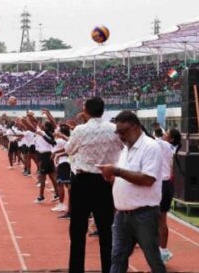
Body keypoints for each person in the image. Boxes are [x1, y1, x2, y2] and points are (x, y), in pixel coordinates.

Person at [97, 111, 166, 273]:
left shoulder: (150, 147)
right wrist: (112, 177)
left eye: (122, 131)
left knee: (153, 259)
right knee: (117, 258)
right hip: (122, 215)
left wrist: (116, 171)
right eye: (117, 132)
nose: (120, 136)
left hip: (145, 214)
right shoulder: (126, 149)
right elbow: (127, 176)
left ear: (135, 127)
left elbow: (148, 179)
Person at [65, 97, 123, 273]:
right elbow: (123, 148)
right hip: (106, 182)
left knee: (77, 231)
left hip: (83, 182)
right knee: (107, 230)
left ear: (86, 110)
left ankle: (76, 269)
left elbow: (69, 150)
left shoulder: (80, 130)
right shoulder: (114, 129)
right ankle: (109, 269)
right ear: (103, 110)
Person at [158, 128, 181, 263]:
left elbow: (147, 136)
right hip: (167, 185)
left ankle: (160, 252)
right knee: (162, 220)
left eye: (167, 134)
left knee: (156, 221)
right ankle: (163, 251)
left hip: (161, 185)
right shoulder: (171, 148)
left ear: (171, 139)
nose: (164, 134)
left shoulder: (164, 145)